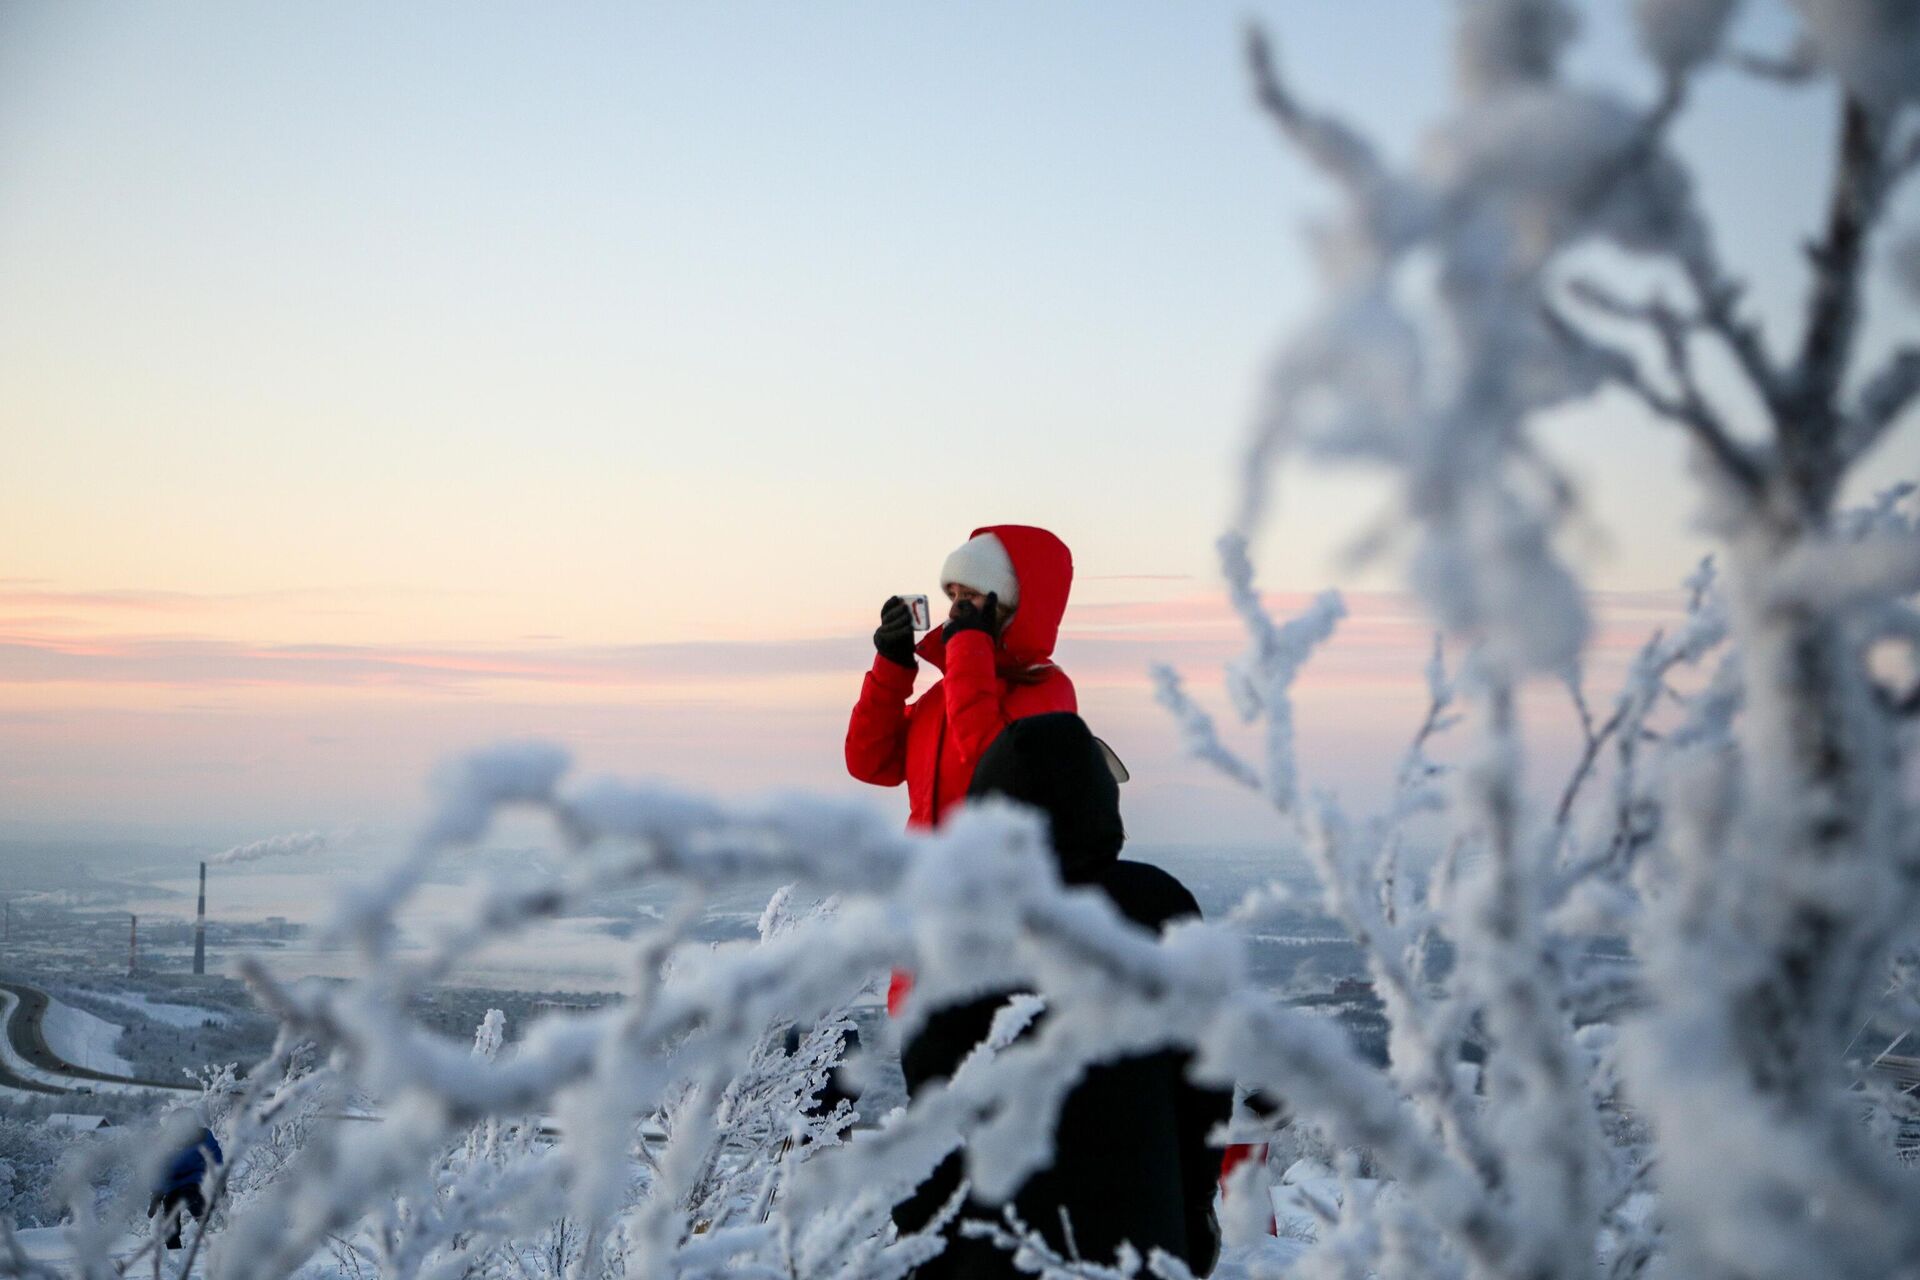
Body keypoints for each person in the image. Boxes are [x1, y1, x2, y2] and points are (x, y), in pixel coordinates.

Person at [890, 712, 1231, 1279]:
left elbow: (934, 1127)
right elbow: (1204, 1091)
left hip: (991, 1257)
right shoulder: (1163, 908)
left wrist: (913, 1246)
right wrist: (1192, 1213)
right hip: (1141, 1250)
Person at [845, 525, 1076, 831]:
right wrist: (891, 666)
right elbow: (870, 762)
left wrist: (968, 645)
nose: (954, 609)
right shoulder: (944, 695)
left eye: (970, 596)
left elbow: (994, 766)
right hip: (932, 873)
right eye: (953, 595)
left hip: (1001, 875)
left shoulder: (1048, 688)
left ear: (1010, 606)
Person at [148, 1123, 222, 1249]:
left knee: (188, 1201)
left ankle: (211, 1237)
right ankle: (174, 1248)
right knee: (172, 1209)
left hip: (195, 1183)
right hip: (179, 1186)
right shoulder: (168, 1141)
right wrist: (156, 1195)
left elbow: (214, 1158)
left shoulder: (202, 1136)